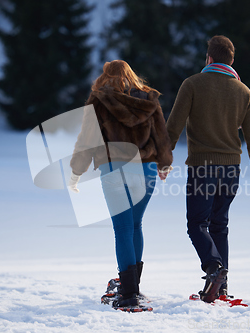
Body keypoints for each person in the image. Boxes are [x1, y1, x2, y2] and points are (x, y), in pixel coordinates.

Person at [166, 35, 250, 303]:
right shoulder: (243, 91)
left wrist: (163, 159)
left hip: (202, 167)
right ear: (231, 61)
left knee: (197, 224)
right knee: (219, 224)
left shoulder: (193, 84)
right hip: (232, 168)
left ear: (208, 58)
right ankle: (220, 288)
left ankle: (214, 269)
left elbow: (173, 127)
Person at [69, 60, 173, 309]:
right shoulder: (149, 99)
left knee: (123, 228)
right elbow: (161, 135)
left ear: (105, 77)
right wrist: (164, 164)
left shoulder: (98, 100)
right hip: (146, 169)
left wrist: (76, 171)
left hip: (114, 167)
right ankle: (133, 289)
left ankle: (128, 295)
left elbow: (86, 140)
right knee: (136, 225)